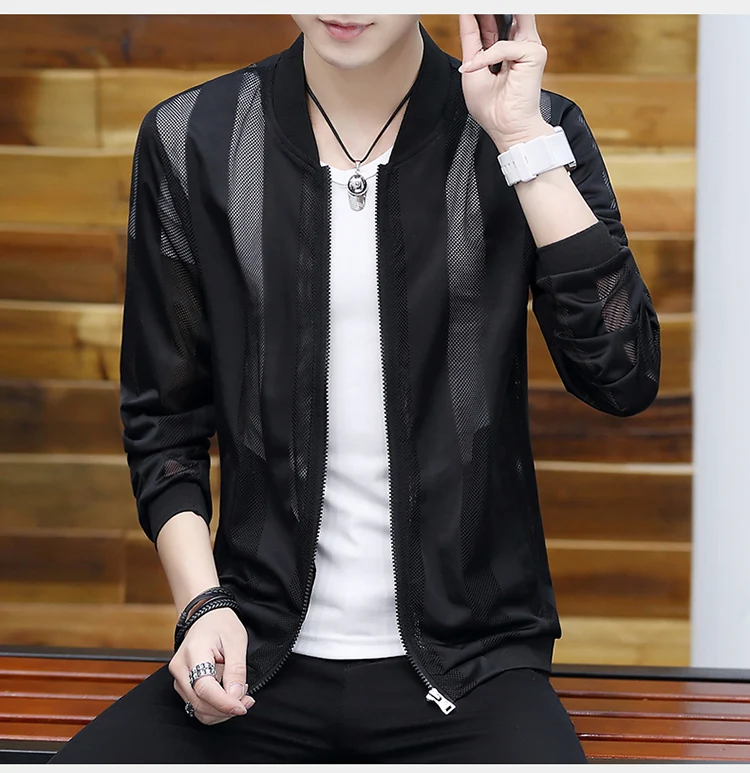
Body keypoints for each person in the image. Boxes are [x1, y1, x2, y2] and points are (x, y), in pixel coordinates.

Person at [50, 13, 660, 764]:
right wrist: (203, 606)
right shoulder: (194, 137)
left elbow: (622, 375)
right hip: (258, 651)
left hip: (470, 663)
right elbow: (163, 420)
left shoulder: (534, 128)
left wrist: (521, 142)